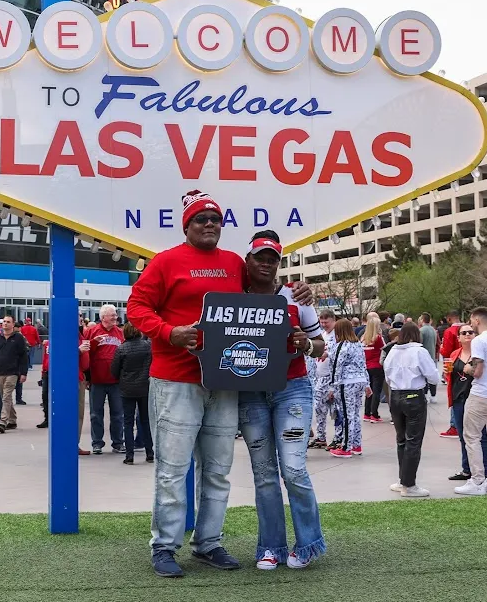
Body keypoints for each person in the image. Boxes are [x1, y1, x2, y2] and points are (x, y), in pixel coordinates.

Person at [126, 190, 311, 578]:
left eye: (215, 219)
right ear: (187, 225)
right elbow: (137, 307)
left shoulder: (232, 263)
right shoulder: (165, 262)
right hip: (176, 380)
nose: (209, 224)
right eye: (201, 219)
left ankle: (208, 542)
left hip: (225, 380)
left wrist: (298, 290)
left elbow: (265, 283)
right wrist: (168, 331)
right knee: (172, 470)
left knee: (217, 469)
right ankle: (164, 546)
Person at [236, 232, 327, 569]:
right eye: (260, 256)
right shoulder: (234, 295)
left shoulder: (296, 296)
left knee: (293, 468)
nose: (265, 263)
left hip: (292, 388)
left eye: (272, 258)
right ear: (248, 260)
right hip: (250, 393)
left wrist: (305, 344)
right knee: (263, 473)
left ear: (279, 263)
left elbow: (321, 347)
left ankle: (308, 542)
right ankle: (270, 547)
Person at [454, 308, 487, 496]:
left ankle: (477, 480)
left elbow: (477, 371)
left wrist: (467, 367)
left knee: (472, 437)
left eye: (471, 321)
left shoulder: (479, 341)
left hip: (481, 393)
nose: (471, 324)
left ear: (477, 320)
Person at [382, 323, 440, 498]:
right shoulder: (419, 352)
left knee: (401, 440)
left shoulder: (392, 351)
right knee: (413, 442)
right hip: (414, 396)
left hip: (396, 396)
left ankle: (402, 480)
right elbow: (433, 377)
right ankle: (409, 484)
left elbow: (387, 374)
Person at [447, 323, 487, 481]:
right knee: (463, 435)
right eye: (463, 333)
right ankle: (467, 469)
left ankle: (484, 471)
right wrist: (448, 373)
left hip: (477, 398)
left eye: (471, 332)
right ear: (458, 338)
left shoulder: (480, 354)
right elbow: (451, 377)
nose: (467, 335)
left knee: (482, 436)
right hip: (459, 398)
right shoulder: (454, 355)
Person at [327, 318, 370, 458]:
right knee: (355, 414)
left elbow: (336, 367)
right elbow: (363, 364)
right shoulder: (357, 344)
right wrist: (367, 383)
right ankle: (356, 444)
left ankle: (346, 447)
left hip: (347, 382)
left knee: (346, 414)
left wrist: (332, 387)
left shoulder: (341, 346)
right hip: (359, 381)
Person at [84, 304, 125, 454]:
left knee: (117, 414)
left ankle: (118, 442)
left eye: (115, 315)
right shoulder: (91, 332)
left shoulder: (120, 333)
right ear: (103, 317)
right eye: (112, 315)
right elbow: (84, 354)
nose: (115, 317)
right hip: (97, 380)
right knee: (96, 414)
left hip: (116, 381)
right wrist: (94, 342)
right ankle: (97, 443)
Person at [111, 322, 152, 464]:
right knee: (145, 421)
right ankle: (150, 453)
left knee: (127, 422)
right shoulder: (148, 347)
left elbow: (114, 371)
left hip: (127, 389)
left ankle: (129, 456)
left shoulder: (121, 349)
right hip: (144, 387)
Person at [361, 313, 386, 423]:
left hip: (367, 366)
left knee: (369, 390)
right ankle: (374, 414)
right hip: (377, 366)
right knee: (376, 390)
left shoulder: (363, 339)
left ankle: (367, 413)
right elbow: (385, 349)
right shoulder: (378, 338)